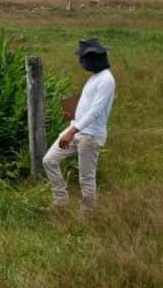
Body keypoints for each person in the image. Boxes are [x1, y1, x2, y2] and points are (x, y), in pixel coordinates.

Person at [42, 38, 116, 211]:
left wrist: (71, 131)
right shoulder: (94, 78)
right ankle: (60, 202)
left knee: (86, 177)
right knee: (49, 160)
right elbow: (87, 106)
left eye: (83, 59)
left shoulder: (106, 80)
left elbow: (96, 110)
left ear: (93, 58)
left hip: (90, 135)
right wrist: (71, 118)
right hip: (77, 130)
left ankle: (87, 215)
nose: (81, 62)